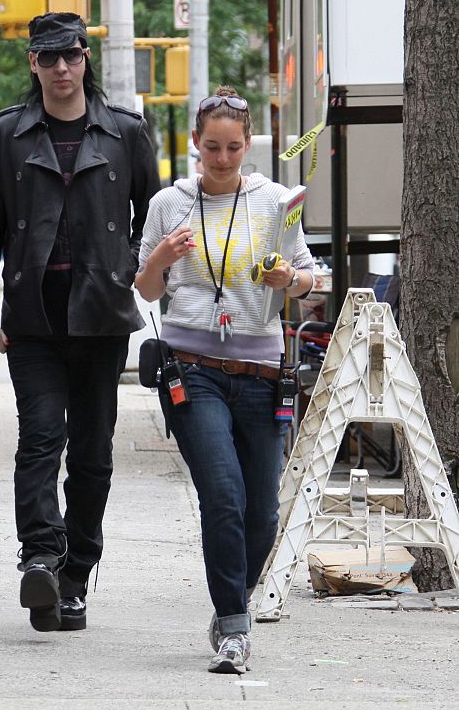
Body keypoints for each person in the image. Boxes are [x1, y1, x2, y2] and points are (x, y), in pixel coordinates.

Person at [0, 12, 161, 633]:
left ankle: (75, 575)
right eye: (49, 59)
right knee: (42, 436)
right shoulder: (7, 135)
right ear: (33, 64)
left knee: (94, 452)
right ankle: (40, 558)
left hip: (102, 315)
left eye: (71, 56)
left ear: (85, 58)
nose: (62, 69)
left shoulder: (126, 133)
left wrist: (126, 266)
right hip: (34, 314)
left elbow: (150, 218)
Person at [134, 86, 314, 674]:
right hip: (192, 369)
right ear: (195, 144)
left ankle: (229, 603)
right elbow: (147, 289)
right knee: (224, 497)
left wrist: (288, 278)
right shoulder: (169, 202)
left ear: (248, 144)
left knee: (261, 511)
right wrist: (161, 256)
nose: (223, 158)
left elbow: (308, 281)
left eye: (234, 147)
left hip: (262, 370)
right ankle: (234, 626)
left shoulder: (276, 202)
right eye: (212, 147)